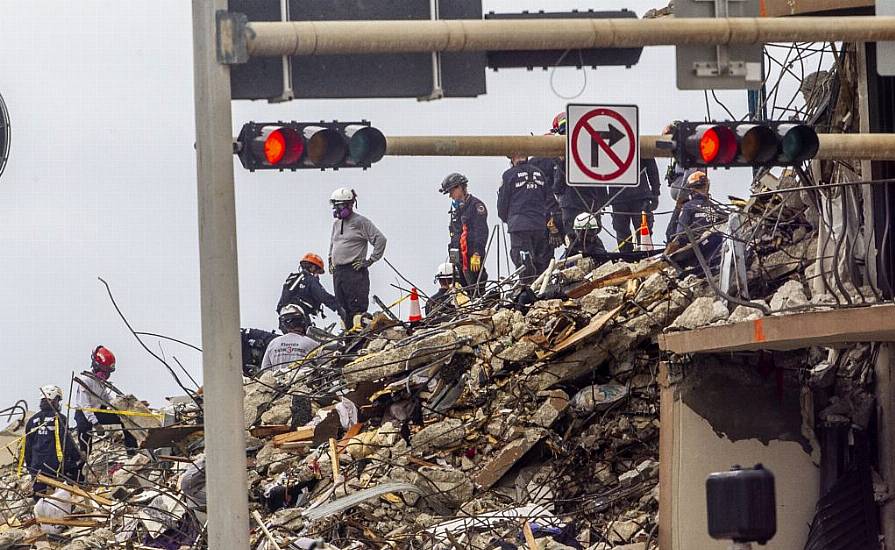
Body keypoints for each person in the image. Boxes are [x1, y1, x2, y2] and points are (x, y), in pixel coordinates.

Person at [328, 188, 387, 329]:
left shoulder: (361, 222)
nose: (337, 209)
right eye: (335, 206)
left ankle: (360, 337)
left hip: (354, 271)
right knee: (343, 310)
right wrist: (331, 260)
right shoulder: (337, 224)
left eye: (340, 205)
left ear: (350, 204)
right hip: (339, 272)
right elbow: (333, 243)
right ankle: (347, 339)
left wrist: (370, 260)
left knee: (357, 310)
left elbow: (380, 239)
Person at [547, 111, 610, 241]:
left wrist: (561, 161)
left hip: (571, 207)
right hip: (591, 204)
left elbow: (558, 187)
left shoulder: (559, 155)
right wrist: (601, 203)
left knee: (577, 243)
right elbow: (601, 179)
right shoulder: (591, 149)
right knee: (590, 241)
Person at [498, 154, 552, 283]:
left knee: (523, 262)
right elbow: (548, 199)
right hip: (539, 224)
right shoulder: (540, 173)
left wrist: (510, 219)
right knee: (540, 261)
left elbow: (502, 204)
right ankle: (540, 290)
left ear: (513, 158)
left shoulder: (509, 175)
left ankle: (527, 292)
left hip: (519, 226)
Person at [73, 346, 137, 456]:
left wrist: (117, 405)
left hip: (97, 411)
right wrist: (96, 424)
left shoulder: (100, 381)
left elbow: (104, 396)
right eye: (105, 372)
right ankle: (83, 463)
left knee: (124, 419)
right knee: (85, 442)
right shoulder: (85, 380)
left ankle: (132, 452)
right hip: (84, 414)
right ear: (97, 366)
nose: (107, 375)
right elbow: (85, 406)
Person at [24, 385, 81, 500]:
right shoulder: (60, 418)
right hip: (56, 465)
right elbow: (67, 442)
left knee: (39, 495)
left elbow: (28, 447)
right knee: (76, 479)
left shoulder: (32, 421)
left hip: (37, 466)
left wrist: (31, 468)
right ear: (54, 400)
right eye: (58, 400)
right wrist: (77, 457)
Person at [440, 173, 489, 297]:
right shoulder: (455, 211)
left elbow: (481, 232)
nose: (451, 196)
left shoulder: (476, 206)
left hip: (472, 256)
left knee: (477, 285)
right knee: (462, 288)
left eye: (451, 191)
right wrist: (453, 258)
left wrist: (477, 253)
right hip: (458, 258)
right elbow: (454, 234)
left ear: (460, 187)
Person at [665, 171, 725, 268]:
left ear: (690, 189)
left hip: (696, 256)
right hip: (715, 251)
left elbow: (679, 235)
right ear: (707, 186)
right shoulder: (715, 207)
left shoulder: (688, 207)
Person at [609, 158, 661, 252]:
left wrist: (655, 192)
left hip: (636, 196)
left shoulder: (639, 144)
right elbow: (651, 167)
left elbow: (651, 166)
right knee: (623, 231)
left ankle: (642, 257)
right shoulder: (638, 144)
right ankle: (629, 258)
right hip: (625, 196)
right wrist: (655, 192)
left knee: (639, 230)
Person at [276, 252, 340, 322]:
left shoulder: (292, 279)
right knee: (307, 330)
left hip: (283, 316)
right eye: (317, 272)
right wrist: (340, 307)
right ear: (312, 267)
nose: (317, 275)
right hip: (297, 315)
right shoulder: (309, 279)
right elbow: (323, 296)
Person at [260, 306, 317, 372]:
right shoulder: (312, 344)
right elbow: (325, 367)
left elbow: (265, 371)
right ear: (302, 321)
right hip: (306, 382)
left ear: (284, 324)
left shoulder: (273, 343)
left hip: (279, 382)